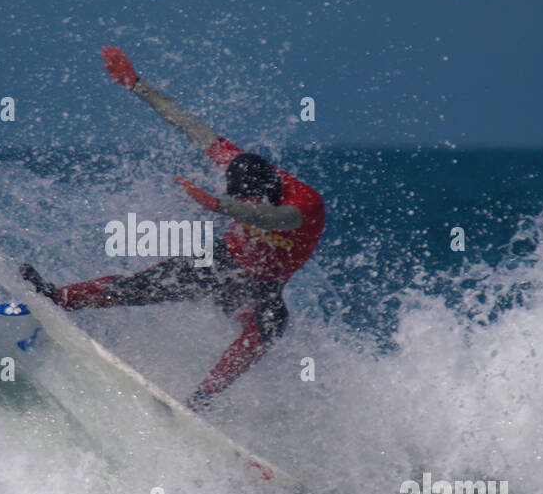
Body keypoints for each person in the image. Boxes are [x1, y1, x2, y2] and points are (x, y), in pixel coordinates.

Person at [21, 46, 324, 411]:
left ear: (267, 191)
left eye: (250, 202)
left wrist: (219, 206)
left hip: (261, 285)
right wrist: (136, 83)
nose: (244, 211)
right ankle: (58, 298)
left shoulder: (303, 203)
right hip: (220, 260)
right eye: (238, 202)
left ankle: (201, 400)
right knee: (135, 289)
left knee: (267, 328)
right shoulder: (238, 162)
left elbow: (278, 221)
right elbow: (185, 122)